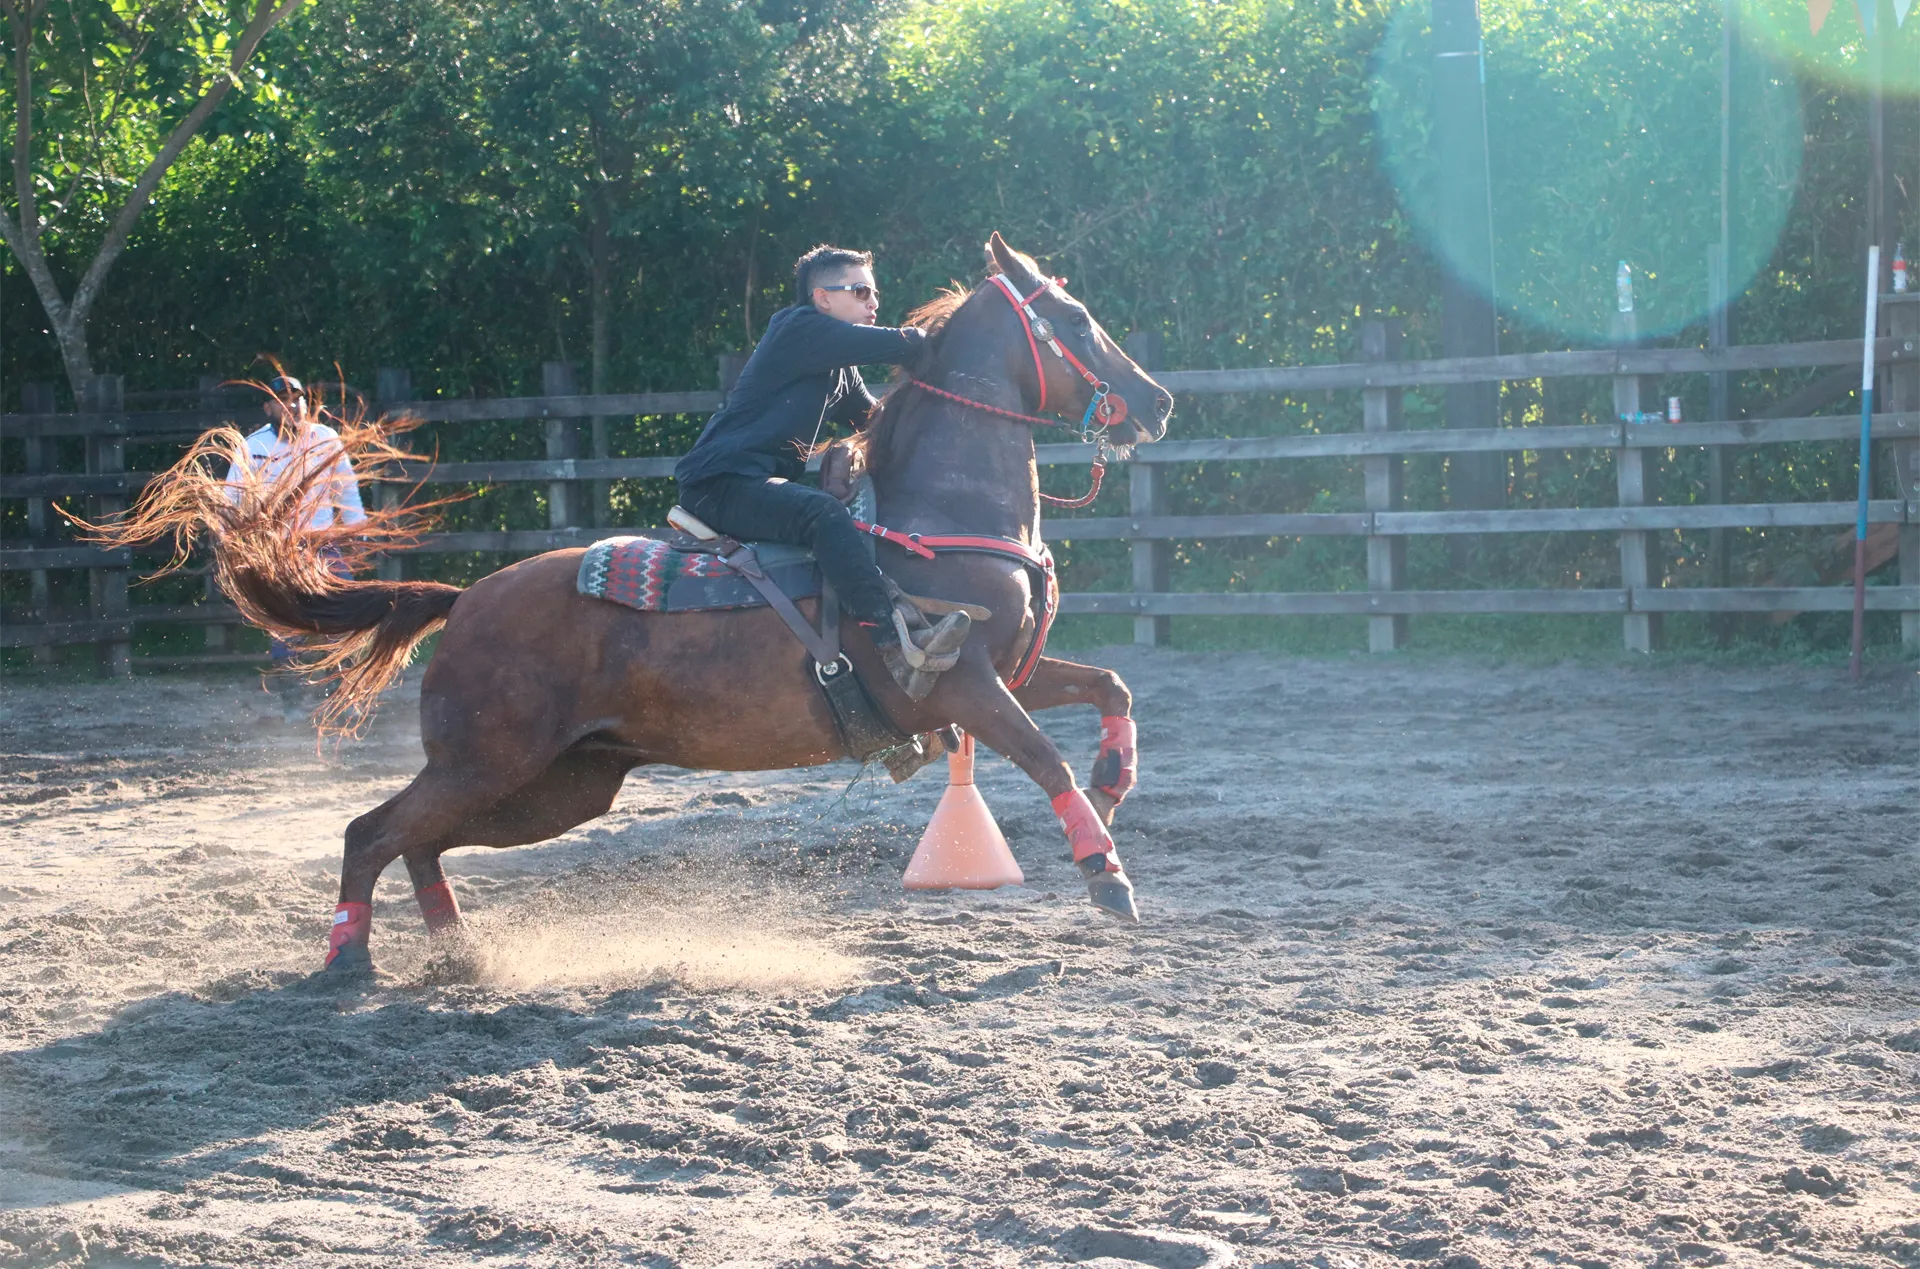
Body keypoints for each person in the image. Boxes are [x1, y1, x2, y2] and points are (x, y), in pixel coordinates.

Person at [675, 245, 968, 698]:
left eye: (874, 293)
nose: (874, 303)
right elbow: (905, 344)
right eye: (861, 291)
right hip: (720, 485)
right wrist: (964, 332)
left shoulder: (838, 364)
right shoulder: (797, 328)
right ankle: (894, 647)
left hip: (750, 484)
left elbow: (876, 424)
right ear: (823, 298)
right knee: (822, 515)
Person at [223, 374, 365, 714]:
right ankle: (293, 705)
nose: (290, 405)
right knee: (286, 626)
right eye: (282, 399)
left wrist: (357, 531)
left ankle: (340, 699)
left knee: (341, 615)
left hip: (323, 542)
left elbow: (346, 488)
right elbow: (232, 498)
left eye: (296, 398)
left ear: (305, 403)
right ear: (268, 406)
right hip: (278, 548)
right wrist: (234, 540)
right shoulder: (252, 446)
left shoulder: (326, 439)